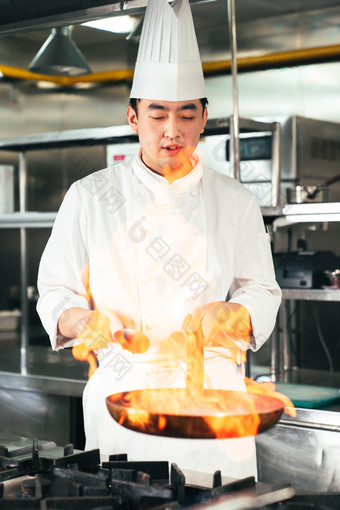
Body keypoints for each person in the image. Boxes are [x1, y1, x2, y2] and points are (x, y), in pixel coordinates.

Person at [37, 0, 281, 479]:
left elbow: (263, 291)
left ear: (204, 118)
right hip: (122, 393)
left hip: (213, 397)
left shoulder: (235, 201)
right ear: (133, 118)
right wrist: (80, 319)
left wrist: (234, 312)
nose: (172, 131)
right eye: (157, 115)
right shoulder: (90, 196)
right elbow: (55, 293)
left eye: (186, 114)